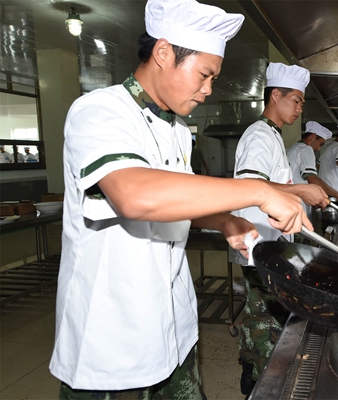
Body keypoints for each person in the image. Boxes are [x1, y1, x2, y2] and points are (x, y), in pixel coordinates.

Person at [50, 1, 312, 398]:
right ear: (163, 53)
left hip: (174, 327)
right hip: (112, 339)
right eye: (204, 75)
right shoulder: (101, 111)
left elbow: (177, 200)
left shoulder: (176, 130)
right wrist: (261, 191)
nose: (208, 90)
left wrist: (223, 220)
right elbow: (135, 196)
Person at [230, 62, 329, 395]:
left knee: (256, 308)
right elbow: (250, 187)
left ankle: (249, 369)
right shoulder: (259, 135)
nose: (300, 109)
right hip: (259, 243)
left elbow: (271, 186)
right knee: (267, 317)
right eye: (296, 101)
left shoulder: (271, 134)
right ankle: (263, 383)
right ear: (276, 95)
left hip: (267, 241)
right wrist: (302, 190)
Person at [287, 121, 338, 219]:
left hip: (290, 200)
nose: (319, 148)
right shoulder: (306, 149)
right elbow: (312, 178)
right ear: (312, 137)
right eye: (320, 144)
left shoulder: (294, 148)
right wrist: (337, 194)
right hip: (299, 202)